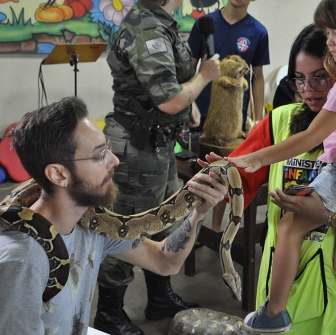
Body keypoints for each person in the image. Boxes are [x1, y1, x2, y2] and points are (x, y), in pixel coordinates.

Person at [200, 23, 336, 335]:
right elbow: (238, 182)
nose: (308, 90)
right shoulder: (279, 122)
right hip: (288, 299)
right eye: (299, 79)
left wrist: (332, 217)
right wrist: (218, 178)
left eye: (320, 77)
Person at [0, 97, 227, 335]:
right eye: (100, 155)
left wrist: (197, 210)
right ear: (59, 174)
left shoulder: (90, 223)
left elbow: (165, 262)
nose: (115, 160)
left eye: (108, 148)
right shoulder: (22, 263)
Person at [98, 0, 221, 333]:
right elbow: (167, 99)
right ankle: (109, 312)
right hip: (137, 151)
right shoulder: (148, 27)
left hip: (158, 144)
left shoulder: (159, 21)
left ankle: (160, 297)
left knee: (163, 219)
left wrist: (187, 108)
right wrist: (203, 77)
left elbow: (166, 93)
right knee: (126, 229)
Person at [187, 0, 270, 132]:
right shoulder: (204, 24)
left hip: (235, 116)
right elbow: (189, 66)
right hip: (201, 112)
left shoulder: (259, 32)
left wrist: (258, 120)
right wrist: (187, 104)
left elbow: (258, 77)